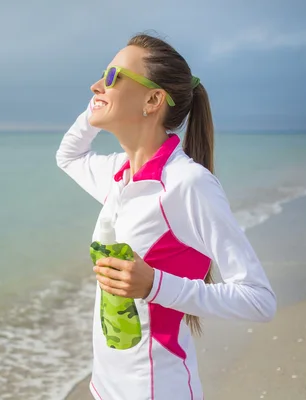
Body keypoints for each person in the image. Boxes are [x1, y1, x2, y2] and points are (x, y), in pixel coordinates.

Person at [55, 33, 277, 400]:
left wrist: (155, 285)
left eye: (113, 77)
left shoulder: (188, 184)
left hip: (157, 390)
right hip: (106, 387)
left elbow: (259, 300)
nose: (96, 84)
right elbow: (69, 156)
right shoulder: (120, 174)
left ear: (153, 99)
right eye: (102, 74)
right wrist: (99, 98)